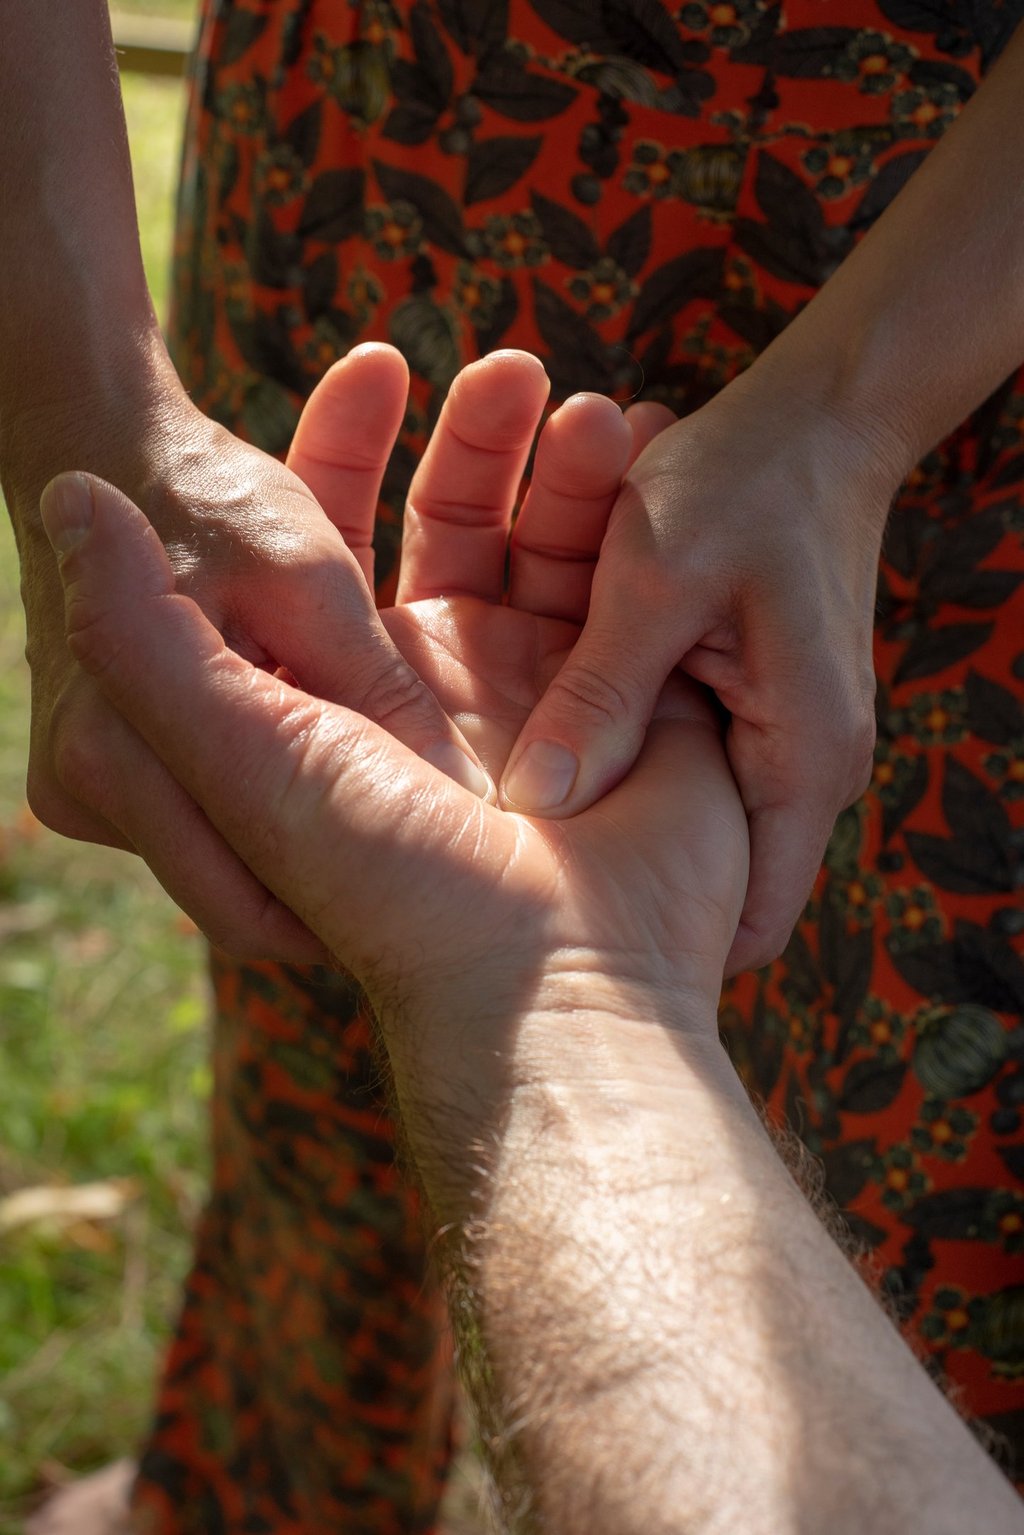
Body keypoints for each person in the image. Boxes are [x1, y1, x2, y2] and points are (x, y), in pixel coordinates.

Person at [2, 1, 1022, 1529]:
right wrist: (85, 398)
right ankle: (270, 1483)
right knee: (307, 974)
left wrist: (852, 417)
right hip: (381, 133)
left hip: (967, 291)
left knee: (931, 1085)